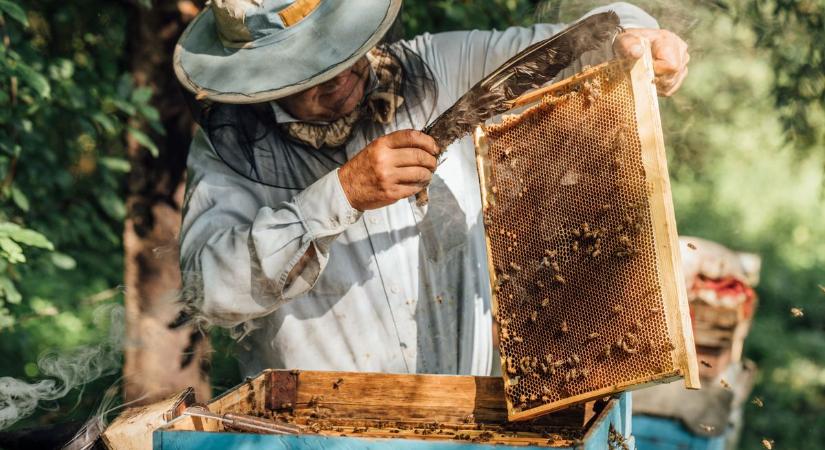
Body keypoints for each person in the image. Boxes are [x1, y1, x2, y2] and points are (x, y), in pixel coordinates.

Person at [173, 0, 689, 378]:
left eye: (335, 53)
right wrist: (340, 196)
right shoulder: (226, 154)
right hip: (320, 431)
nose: (332, 79)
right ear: (261, 79)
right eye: (302, 73)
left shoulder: (441, 67)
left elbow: (564, 48)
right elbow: (208, 289)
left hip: (468, 415)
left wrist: (635, 41)